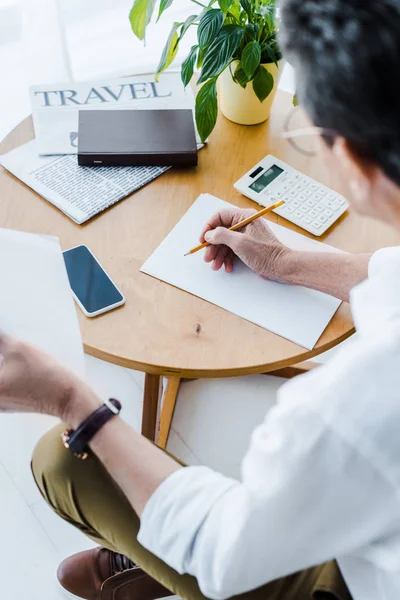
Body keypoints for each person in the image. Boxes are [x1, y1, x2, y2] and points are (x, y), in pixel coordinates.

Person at [2, 0, 400, 598]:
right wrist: (289, 262)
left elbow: (222, 552)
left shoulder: (348, 411)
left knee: (62, 462)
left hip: (353, 576)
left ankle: (161, 559)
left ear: (352, 156)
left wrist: (72, 399)